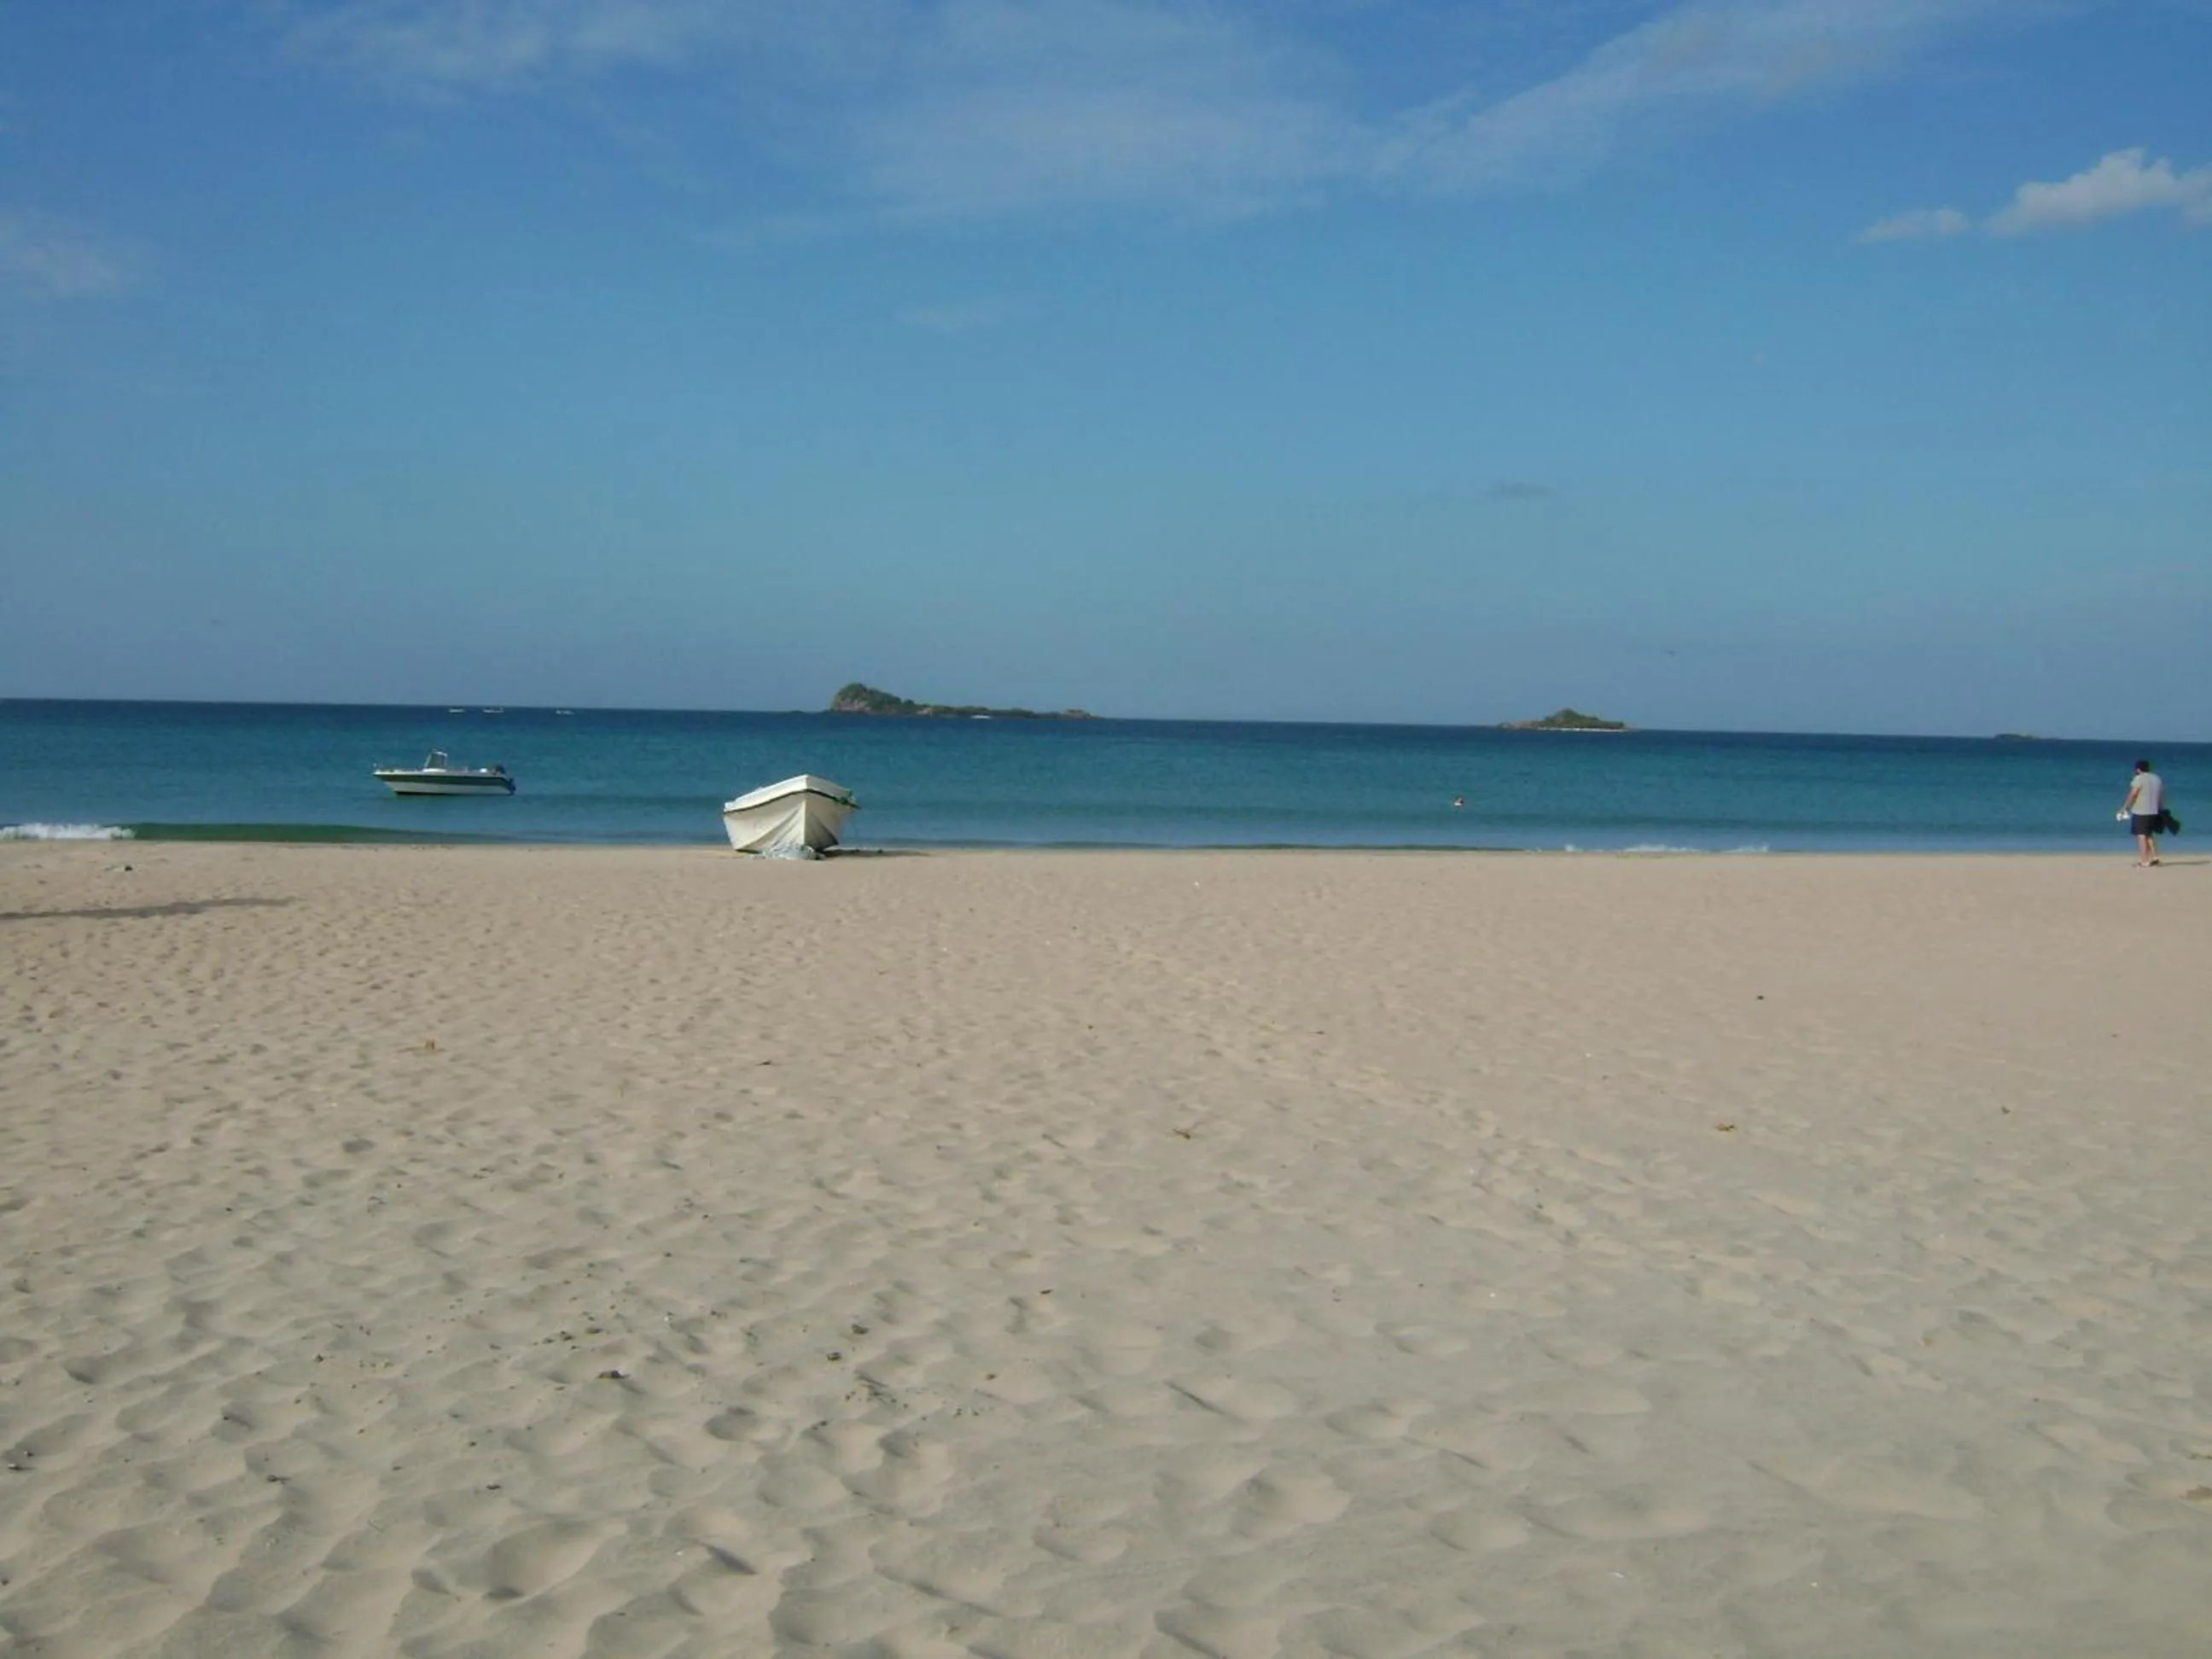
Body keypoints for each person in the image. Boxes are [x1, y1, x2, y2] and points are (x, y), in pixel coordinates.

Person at [2122, 760, 2164, 867]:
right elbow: (2159, 796)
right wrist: (2160, 808)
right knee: (2149, 834)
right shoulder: (2156, 779)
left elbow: (2133, 794)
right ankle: (2155, 857)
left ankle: (2144, 860)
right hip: (2153, 811)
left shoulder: (2139, 779)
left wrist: (2125, 807)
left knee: (2141, 836)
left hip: (2141, 811)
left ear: (2138, 769)